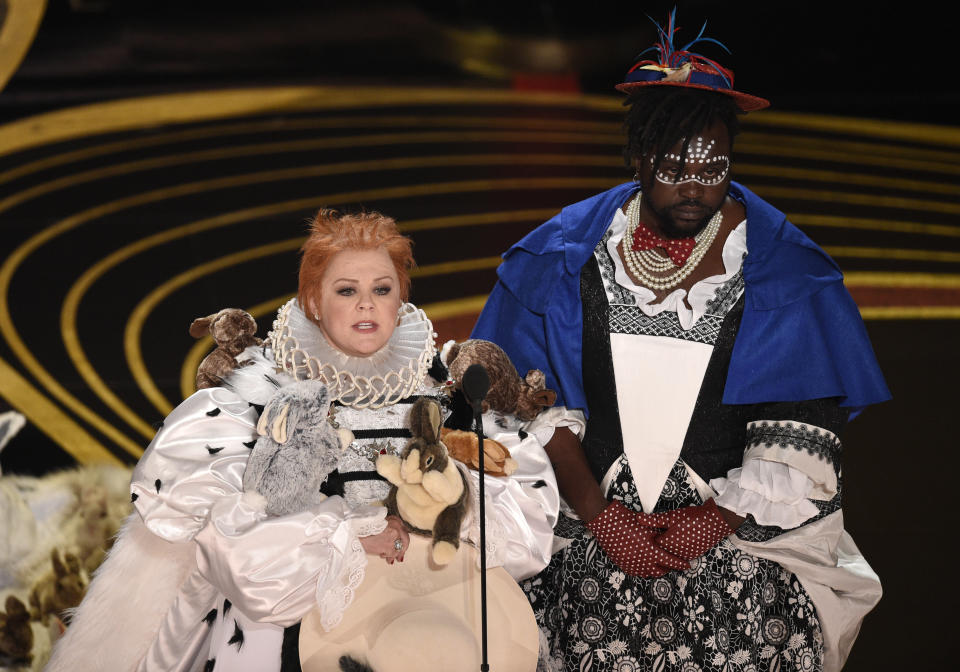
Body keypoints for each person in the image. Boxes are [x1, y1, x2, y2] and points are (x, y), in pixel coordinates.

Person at [471, 12, 889, 672]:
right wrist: (602, 519)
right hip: (585, 520)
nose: (694, 186)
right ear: (639, 160)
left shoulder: (783, 269)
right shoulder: (564, 258)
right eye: (674, 168)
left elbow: (804, 421)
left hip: (742, 534)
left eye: (713, 166)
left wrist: (706, 524)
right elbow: (527, 403)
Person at [48, 209, 558, 672]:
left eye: (382, 289)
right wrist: (351, 538)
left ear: (400, 296)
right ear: (313, 300)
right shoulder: (259, 397)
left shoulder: (446, 392)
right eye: (345, 290)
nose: (366, 304)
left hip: (423, 613)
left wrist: (442, 512)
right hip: (286, 623)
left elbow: (520, 534)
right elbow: (237, 552)